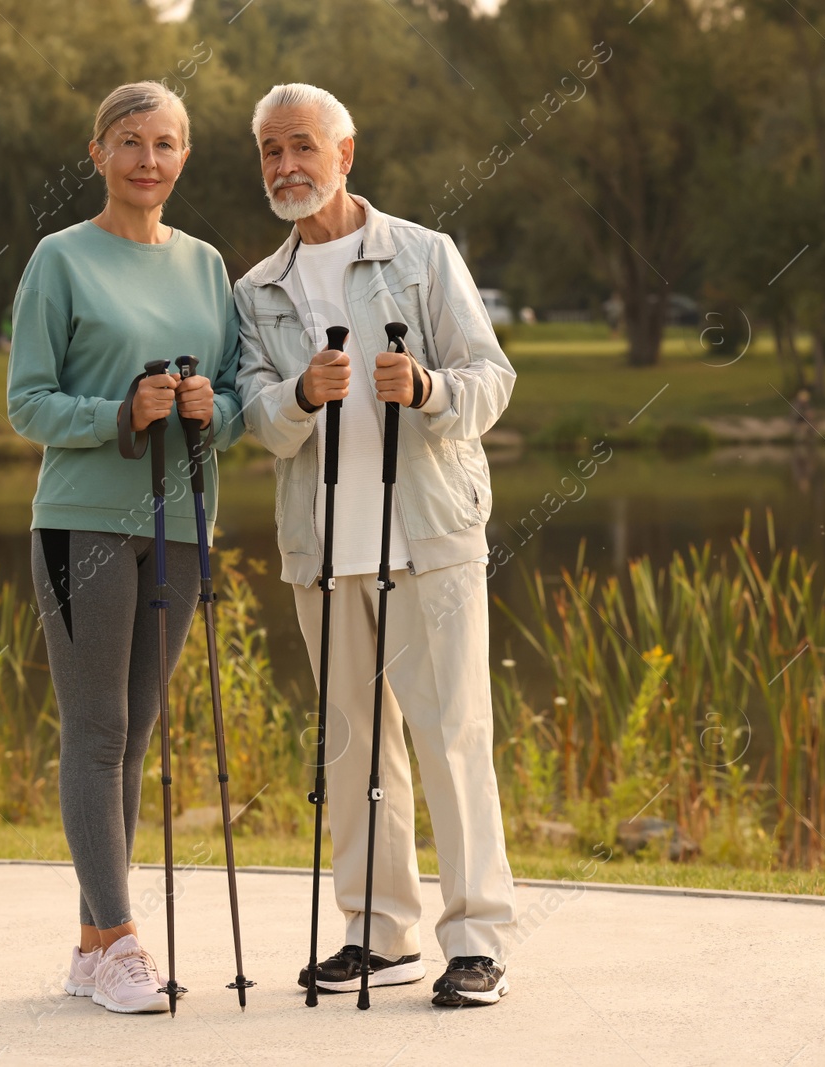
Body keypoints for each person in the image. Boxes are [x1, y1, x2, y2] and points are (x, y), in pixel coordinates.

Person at [234, 83, 518, 1007]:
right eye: (272, 151)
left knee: (453, 735)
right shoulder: (258, 290)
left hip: (429, 536)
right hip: (322, 549)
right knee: (352, 746)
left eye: (303, 147)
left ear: (345, 154)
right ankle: (377, 931)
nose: (287, 167)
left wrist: (430, 387)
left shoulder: (424, 255)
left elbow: (492, 378)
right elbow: (254, 419)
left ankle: (476, 939)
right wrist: (299, 396)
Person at [6, 80, 243, 1015]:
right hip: (83, 525)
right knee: (97, 732)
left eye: (168, 144)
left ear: (185, 156)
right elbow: (27, 401)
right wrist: (120, 412)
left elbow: (230, 398)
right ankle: (124, 941)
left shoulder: (209, 266)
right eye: (133, 142)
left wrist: (202, 408)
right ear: (99, 151)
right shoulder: (59, 260)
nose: (151, 160)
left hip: (181, 527)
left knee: (136, 732)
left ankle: (90, 947)